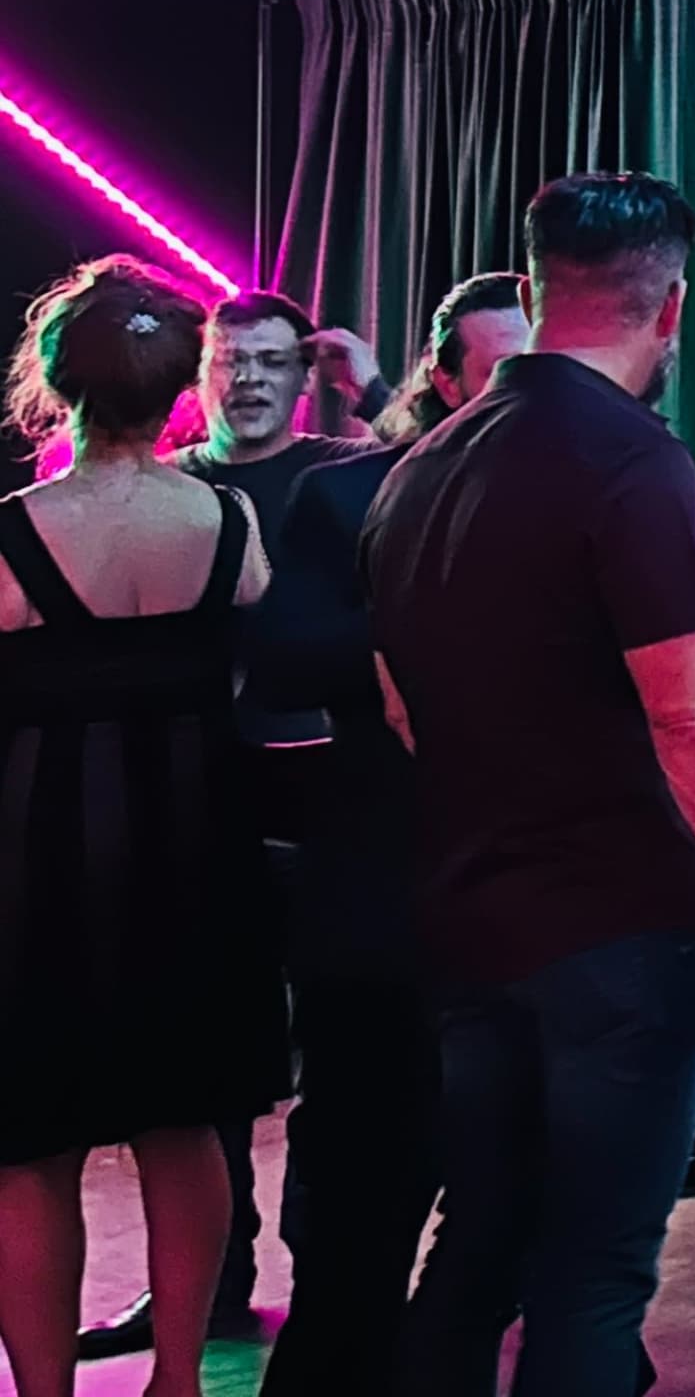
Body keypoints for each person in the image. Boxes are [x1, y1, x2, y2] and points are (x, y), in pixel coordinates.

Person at [364, 174, 695, 1397]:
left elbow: (402, 708)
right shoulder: (631, 460)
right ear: (673, 312)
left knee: (480, 1243)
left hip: (464, 917)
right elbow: (694, 708)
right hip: (612, 927)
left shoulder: (421, 467)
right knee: (596, 1273)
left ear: (539, 288)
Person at [86, 289, 389, 1360]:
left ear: (301, 375)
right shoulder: (168, 488)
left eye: (270, 360)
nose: (249, 378)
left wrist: (378, 388)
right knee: (198, 1063)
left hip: (325, 800)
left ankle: (331, 1289)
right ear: (198, 374)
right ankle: (207, 1287)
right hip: (193, 799)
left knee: (337, 1060)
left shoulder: (346, 470)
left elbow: (456, 486)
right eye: (231, 360)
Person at [240, 272, 528, 1397]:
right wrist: (417, 649)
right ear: (441, 381)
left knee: (515, 1199)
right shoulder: (346, 495)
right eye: (492, 372)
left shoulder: (609, 495)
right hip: (379, 903)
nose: (515, 394)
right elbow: (284, 657)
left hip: (529, 908)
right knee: (357, 1195)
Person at [0, 258, 278, 1397]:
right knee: (186, 1125)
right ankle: (177, 1380)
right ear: (176, 390)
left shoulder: (13, 532)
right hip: (197, 852)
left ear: (58, 388)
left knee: (29, 1152)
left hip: (36, 862)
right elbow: (252, 622)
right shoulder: (228, 518)